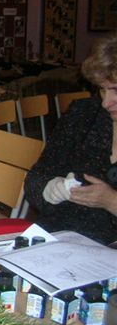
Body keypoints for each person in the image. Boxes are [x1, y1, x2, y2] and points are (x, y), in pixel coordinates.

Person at [25, 33, 117, 246]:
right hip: (57, 238)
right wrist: (48, 188)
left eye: (114, 91)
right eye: (102, 90)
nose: (105, 102)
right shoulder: (82, 115)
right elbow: (35, 178)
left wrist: (111, 201)